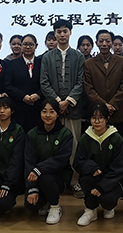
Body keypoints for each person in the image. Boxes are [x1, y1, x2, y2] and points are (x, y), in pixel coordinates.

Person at [40, 19, 86, 198]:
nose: (62, 34)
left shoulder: (78, 56)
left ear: (70, 32)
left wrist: (68, 102)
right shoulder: (47, 57)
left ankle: (74, 182)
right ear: (55, 34)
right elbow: (44, 82)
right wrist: (59, 102)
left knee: (74, 146)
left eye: (65, 31)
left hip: (73, 110)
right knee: (52, 148)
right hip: (52, 111)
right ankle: (54, 181)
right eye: (58, 32)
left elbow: (81, 82)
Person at [74, 103, 123, 226]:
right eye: (94, 118)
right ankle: (90, 210)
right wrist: (92, 168)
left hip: (111, 180)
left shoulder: (117, 139)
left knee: (107, 200)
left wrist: (102, 187)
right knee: (86, 178)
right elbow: (78, 162)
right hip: (93, 177)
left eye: (101, 118)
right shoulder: (85, 138)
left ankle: (109, 207)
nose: (97, 121)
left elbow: (119, 167)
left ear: (107, 119)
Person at [24, 99, 73, 225]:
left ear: (57, 114)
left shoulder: (65, 134)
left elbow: (61, 159)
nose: (48, 115)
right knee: (31, 206)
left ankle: (55, 206)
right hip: (36, 176)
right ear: (40, 113)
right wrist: (32, 188)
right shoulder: (32, 134)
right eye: (44, 111)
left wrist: (39, 169)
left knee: (46, 178)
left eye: (52, 111)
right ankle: (46, 199)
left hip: (59, 176)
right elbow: (29, 161)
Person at [83, 29, 123, 134]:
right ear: (96, 43)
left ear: (112, 43)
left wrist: (112, 104)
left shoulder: (122, 62)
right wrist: (103, 105)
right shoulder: (89, 64)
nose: (104, 44)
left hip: (117, 111)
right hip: (96, 113)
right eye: (101, 41)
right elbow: (89, 88)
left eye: (107, 41)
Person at [4, 33, 43, 133]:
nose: (28, 47)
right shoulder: (12, 64)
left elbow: (47, 83)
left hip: (38, 108)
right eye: (25, 44)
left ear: (36, 46)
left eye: (31, 44)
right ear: (21, 46)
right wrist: (23, 96)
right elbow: (8, 85)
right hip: (19, 108)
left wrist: (38, 95)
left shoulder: (42, 63)